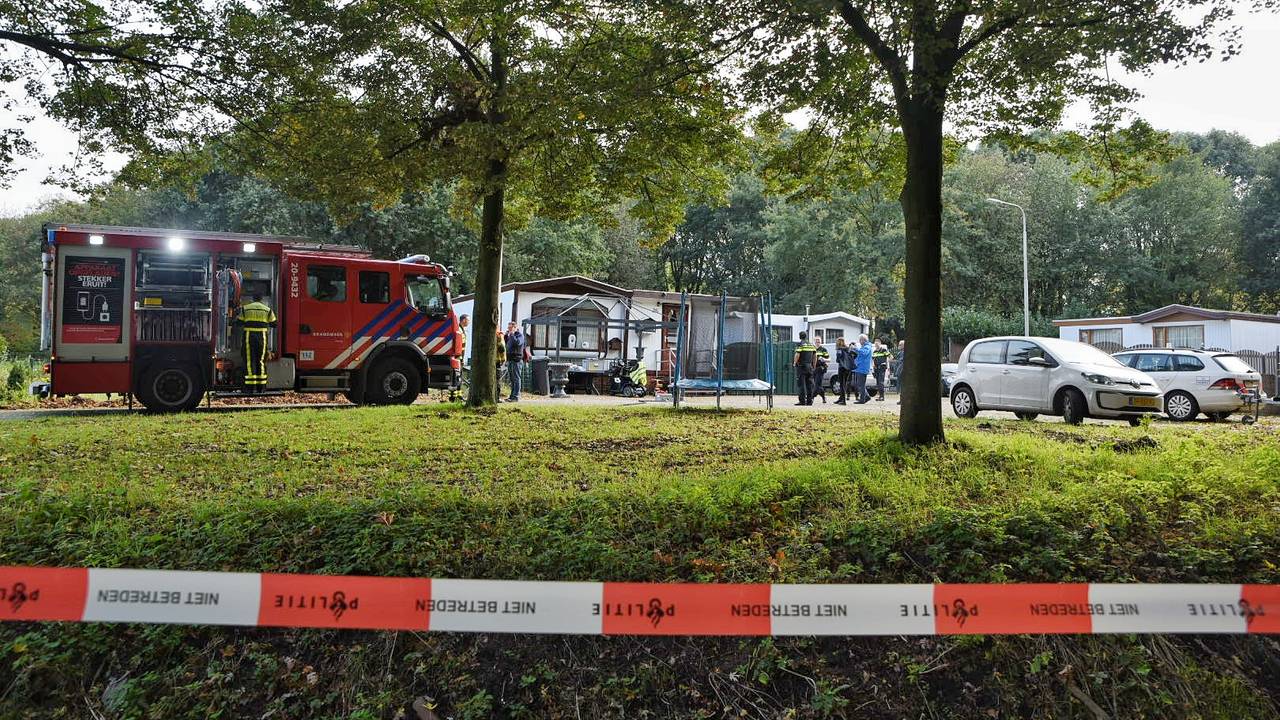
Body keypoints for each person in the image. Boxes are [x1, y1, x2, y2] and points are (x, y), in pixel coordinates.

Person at [234, 293, 276, 394]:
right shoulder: (267, 309)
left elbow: (238, 322)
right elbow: (274, 324)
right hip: (262, 337)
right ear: (261, 299)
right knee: (261, 361)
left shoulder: (246, 308)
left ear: (253, 299)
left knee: (249, 361)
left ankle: (249, 388)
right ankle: (261, 388)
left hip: (249, 336)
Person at [793, 331, 817, 406]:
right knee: (809, 384)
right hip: (810, 366)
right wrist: (814, 365)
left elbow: (797, 354)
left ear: (800, 337)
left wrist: (794, 363)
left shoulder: (800, 344)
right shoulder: (811, 345)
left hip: (802, 366)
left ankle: (802, 401)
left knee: (801, 384)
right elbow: (815, 356)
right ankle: (810, 401)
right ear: (806, 336)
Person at [504, 321, 527, 402]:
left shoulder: (520, 335)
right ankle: (512, 396)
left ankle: (516, 396)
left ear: (515, 328)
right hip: (510, 360)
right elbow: (506, 345)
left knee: (516, 378)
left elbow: (518, 343)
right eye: (508, 328)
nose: (509, 329)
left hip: (516, 360)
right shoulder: (510, 336)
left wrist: (512, 334)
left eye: (510, 328)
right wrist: (506, 336)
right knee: (512, 379)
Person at [852, 334, 873, 404]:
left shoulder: (867, 347)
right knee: (860, 384)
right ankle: (866, 397)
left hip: (862, 368)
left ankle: (862, 399)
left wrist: (855, 349)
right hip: (860, 368)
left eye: (860, 340)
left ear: (863, 340)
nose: (859, 342)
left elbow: (864, 353)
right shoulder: (865, 346)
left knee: (861, 384)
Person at [835, 337, 853, 405]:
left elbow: (838, 359)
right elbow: (854, 355)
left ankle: (843, 401)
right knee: (844, 384)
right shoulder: (848, 349)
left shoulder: (839, 349)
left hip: (842, 368)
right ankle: (841, 398)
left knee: (842, 384)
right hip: (848, 368)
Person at [894, 340, 906, 404]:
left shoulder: (903, 352)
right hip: (900, 371)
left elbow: (901, 362)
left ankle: (902, 400)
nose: (899, 346)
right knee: (901, 386)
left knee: (902, 386)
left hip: (902, 371)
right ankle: (902, 400)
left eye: (900, 345)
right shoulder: (900, 352)